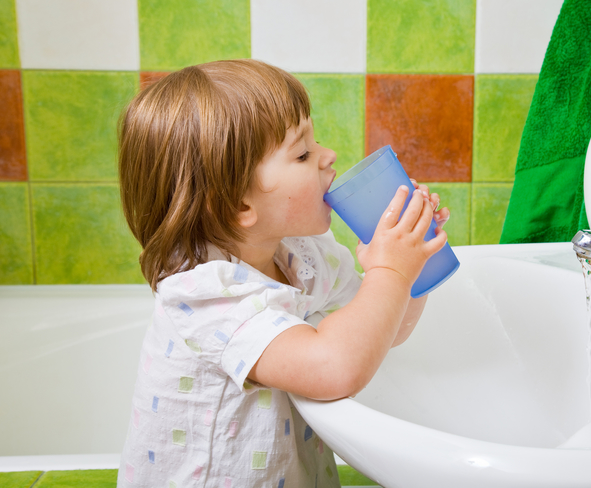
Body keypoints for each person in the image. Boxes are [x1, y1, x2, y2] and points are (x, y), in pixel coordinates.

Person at [116, 59, 450, 488]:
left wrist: (411, 265)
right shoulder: (207, 294)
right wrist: (389, 270)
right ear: (238, 206)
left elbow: (386, 331)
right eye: (303, 153)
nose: (328, 156)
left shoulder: (304, 254)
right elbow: (334, 370)